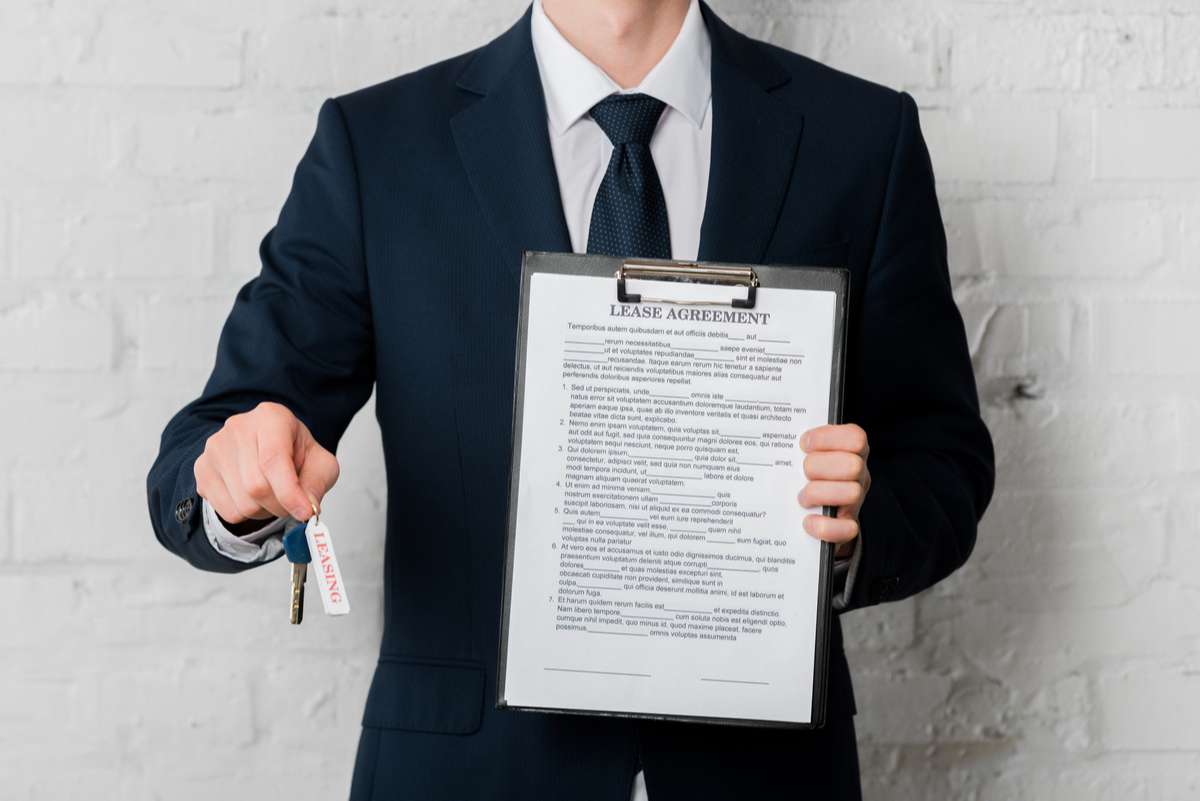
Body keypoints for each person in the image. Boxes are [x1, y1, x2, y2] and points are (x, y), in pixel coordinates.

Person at [147, 0, 994, 797]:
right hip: (464, 773)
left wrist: (852, 529)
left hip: (763, 773)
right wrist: (234, 481)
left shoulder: (861, 136)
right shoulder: (378, 146)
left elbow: (944, 462)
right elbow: (215, 439)